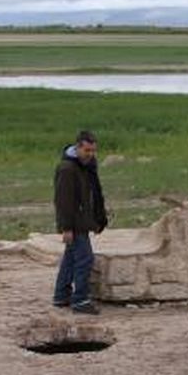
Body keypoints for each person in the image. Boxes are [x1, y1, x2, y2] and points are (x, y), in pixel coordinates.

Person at [53, 130, 108, 315]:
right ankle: (80, 300)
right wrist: (66, 228)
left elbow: (94, 194)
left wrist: (98, 218)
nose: (90, 154)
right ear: (77, 147)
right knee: (85, 259)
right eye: (87, 150)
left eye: (93, 151)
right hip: (75, 223)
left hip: (83, 221)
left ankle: (61, 295)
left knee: (71, 258)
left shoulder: (87, 166)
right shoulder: (67, 169)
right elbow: (63, 201)